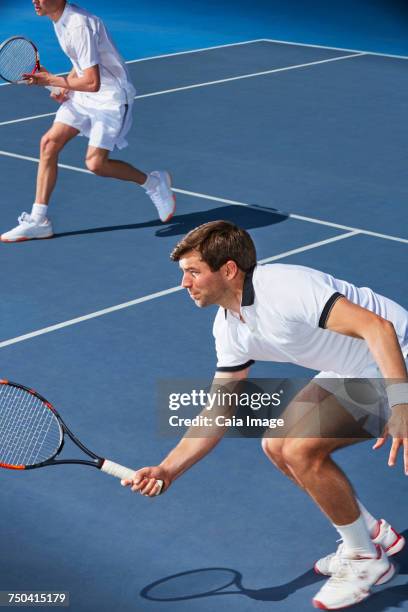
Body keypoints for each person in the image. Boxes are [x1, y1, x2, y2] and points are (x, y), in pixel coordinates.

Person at [122, 220, 408, 609]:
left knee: (301, 451)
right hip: (353, 368)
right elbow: (217, 412)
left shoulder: (285, 289)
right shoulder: (229, 327)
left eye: (193, 273)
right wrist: (168, 469)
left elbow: (379, 328)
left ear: (227, 270)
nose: (184, 284)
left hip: (398, 358)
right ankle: (371, 534)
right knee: (276, 444)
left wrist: (400, 405)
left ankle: (365, 560)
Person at [1, 0, 175, 242]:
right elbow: (79, 65)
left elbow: (93, 82)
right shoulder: (59, 20)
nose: (34, 0)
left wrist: (54, 81)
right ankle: (39, 219)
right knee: (48, 143)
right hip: (85, 95)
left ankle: (153, 183)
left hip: (111, 98)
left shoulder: (78, 26)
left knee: (95, 164)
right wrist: (66, 87)